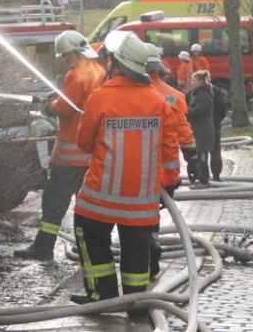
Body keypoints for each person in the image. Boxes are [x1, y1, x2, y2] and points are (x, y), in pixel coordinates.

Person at [70, 31, 180, 316]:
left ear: (117, 64)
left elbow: (83, 142)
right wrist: (168, 186)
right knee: (136, 250)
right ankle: (136, 303)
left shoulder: (100, 98)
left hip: (99, 199)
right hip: (142, 203)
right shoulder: (158, 102)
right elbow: (170, 149)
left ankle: (102, 296)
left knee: (92, 240)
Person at [15, 30, 105, 261]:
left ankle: (43, 248)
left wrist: (49, 106)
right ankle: (92, 250)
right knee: (87, 208)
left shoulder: (75, 75)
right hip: (91, 154)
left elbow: (66, 108)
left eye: (65, 56)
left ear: (71, 53)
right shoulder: (98, 71)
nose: (64, 60)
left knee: (54, 204)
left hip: (69, 157)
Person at [145, 43, 196, 277]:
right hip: (167, 172)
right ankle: (153, 241)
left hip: (138, 170)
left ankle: (145, 249)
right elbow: (184, 132)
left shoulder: (136, 96)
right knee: (153, 212)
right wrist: (192, 157)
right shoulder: (175, 97)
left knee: (136, 216)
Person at [186, 70, 215, 189]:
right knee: (200, 154)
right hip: (200, 129)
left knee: (202, 155)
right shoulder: (197, 93)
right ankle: (201, 180)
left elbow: (199, 111)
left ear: (201, 81)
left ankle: (204, 181)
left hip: (203, 130)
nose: (191, 82)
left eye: (194, 80)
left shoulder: (202, 95)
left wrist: (186, 112)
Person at [210, 84, 229, 181]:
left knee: (201, 152)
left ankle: (201, 178)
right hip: (215, 125)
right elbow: (224, 111)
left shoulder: (195, 93)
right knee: (216, 152)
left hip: (200, 128)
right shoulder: (219, 93)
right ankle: (216, 176)